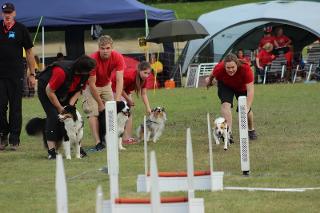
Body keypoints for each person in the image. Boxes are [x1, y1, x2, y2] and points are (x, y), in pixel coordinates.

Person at [37, 55, 96, 159]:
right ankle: (51, 151)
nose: (91, 72)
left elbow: (79, 90)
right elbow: (49, 91)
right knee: (54, 116)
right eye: (89, 70)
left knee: (71, 117)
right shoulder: (61, 71)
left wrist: (70, 105)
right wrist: (60, 108)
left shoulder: (85, 74)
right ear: (82, 70)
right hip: (47, 90)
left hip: (66, 90)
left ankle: (78, 148)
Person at [0, 2, 36, 151]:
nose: (7, 15)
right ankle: (3, 136)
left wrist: (32, 74)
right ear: (2, 14)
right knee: (0, 107)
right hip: (0, 76)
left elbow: (29, 52)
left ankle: (15, 138)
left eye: (10, 12)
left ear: (14, 13)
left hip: (16, 75)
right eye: (5, 13)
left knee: (16, 108)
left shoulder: (21, 29)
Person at [82, 35, 124, 151]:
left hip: (106, 85)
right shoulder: (93, 60)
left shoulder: (118, 57)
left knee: (111, 111)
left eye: (107, 48)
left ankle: (110, 138)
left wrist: (118, 99)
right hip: (91, 87)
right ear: (98, 48)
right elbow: (92, 84)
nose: (105, 51)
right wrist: (100, 104)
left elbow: (120, 79)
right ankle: (98, 142)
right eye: (102, 48)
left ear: (112, 48)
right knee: (93, 112)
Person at [205, 53, 257, 141]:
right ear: (224, 66)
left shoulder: (246, 69)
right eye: (228, 68)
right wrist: (209, 81)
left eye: (233, 67)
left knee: (245, 110)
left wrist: (246, 108)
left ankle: (251, 130)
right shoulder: (219, 68)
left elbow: (250, 91)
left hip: (242, 87)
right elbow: (212, 75)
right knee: (225, 105)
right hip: (226, 86)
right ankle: (228, 133)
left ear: (237, 64)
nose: (231, 70)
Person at [111, 61, 152, 144]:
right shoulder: (130, 76)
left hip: (125, 91)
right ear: (139, 70)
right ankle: (120, 137)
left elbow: (143, 94)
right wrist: (128, 100)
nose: (147, 75)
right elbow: (120, 88)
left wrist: (148, 107)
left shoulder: (144, 79)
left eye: (148, 73)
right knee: (123, 114)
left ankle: (127, 138)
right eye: (145, 73)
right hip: (114, 89)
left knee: (129, 113)